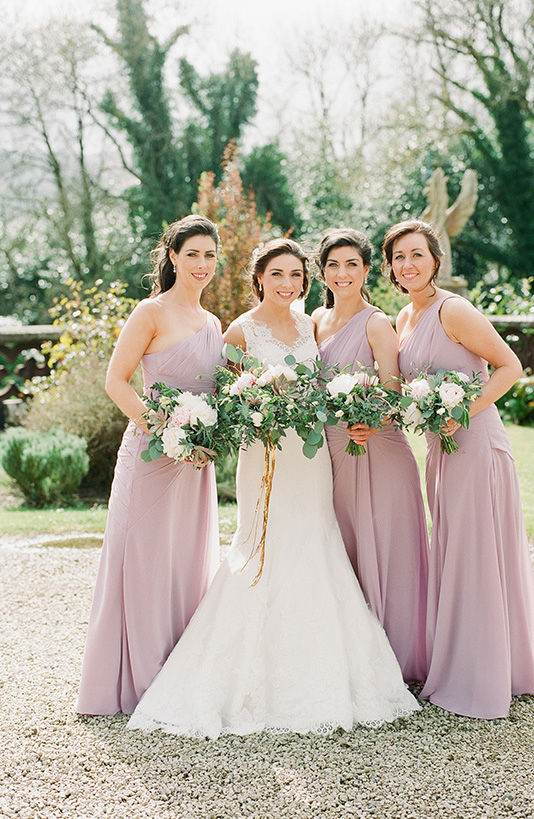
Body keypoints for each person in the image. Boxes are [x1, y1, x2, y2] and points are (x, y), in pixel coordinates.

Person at [127, 238, 420, 738]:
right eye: (277, 274)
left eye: (296, 276)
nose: (288, 284)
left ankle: (323, 667)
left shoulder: (311, 324)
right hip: (262, 454)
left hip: (310, 458)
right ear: (258, 277)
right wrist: (257, 407)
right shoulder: (239, 330)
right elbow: (227, 398)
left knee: (314, 537)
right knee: (259, 547)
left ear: (305, 283)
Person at [386, 219, 534, 719]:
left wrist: (460, 412)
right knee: (455, 550)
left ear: (435, 260)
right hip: (440, 451)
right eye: (399, 257)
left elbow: (510, 366)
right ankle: (467, 664)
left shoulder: (454, 309)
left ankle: (480, 679)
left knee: (475, 553)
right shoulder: (404, 317)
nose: (408, 265)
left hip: (475, 444)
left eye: (417, 255)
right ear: (389, 267)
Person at [77, 215, 224, 716]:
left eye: (209, 255)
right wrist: (161, 428)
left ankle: (178, 671)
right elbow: (116, 381)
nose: (201, 265)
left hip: (196, 463)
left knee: (184, 560)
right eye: (192, 254)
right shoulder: (150, 312)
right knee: (141, 558)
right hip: (152, 456)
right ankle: (134, 676)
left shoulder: (213, 324)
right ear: (173, 256)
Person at [312, 228, 429, 683]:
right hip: (334, 454)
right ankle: (357, 661)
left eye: (352, 265)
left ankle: (400, 663)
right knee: (347, 550)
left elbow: (393, 388)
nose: (343, 274)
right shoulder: (315, 321)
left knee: (389, 550)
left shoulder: (378, 322)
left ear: (366, 271)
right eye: (334, 265)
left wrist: (373, 417)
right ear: (322, 271)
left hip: (377, 448)